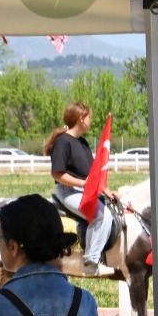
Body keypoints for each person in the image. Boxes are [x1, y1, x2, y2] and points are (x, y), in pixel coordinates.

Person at [45, 102, 111, 275]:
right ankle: (91, 262)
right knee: (103, 216)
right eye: (89, 117)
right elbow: (57, 174)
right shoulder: (62, 142)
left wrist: (106, 190)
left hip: (85, 191)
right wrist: (82, 184)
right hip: (69, 192)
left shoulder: (82, 142)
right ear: (81, 119)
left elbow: (92, 174)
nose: (90, 121)